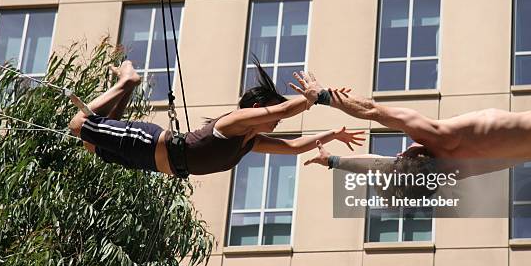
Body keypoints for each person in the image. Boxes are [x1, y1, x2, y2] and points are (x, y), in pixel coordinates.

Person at [290, 59, 531, 198]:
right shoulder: (440, 138)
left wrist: (333, 160)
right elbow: (374, 111)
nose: (400, 152)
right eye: (402, 155)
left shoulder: (453, 170)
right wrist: (324, 96)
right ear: (413, 157)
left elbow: (380, 167)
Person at [67, 60, 365, 177]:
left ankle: (127, 88)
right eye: (271, 112)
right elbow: (284, 111)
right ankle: (126, 82)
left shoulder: (249, 142)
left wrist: (332, 134)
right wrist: (317, 96)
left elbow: (294, 147)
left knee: (92, 145)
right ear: (258, 107)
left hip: (149, 162)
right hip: (152, 144)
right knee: (78, 126)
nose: (277, 122)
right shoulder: (232, 123)